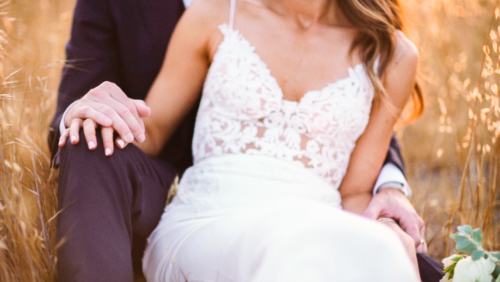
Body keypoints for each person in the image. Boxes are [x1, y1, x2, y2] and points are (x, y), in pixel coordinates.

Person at [50, 0, 443, 280]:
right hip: (209, 216)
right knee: (298, 244)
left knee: (382, 250)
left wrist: (387, 219)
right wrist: (97, 109)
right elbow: (150, 131)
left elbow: (355, 191)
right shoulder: (214, 15)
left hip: (322, 221)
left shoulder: (393, 55)